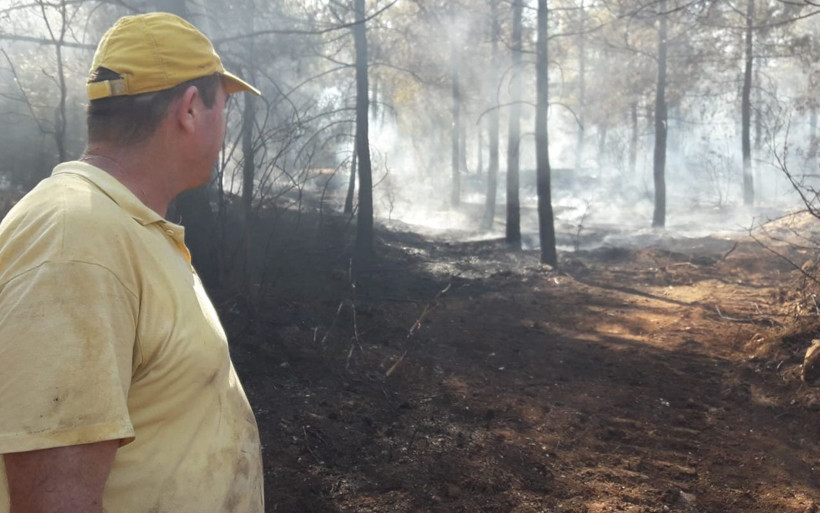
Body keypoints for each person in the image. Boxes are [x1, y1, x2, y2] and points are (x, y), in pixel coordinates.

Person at [0, 12, 263, 513]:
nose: (225, 127)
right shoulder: (75, 239)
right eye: (223, 106)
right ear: (190, 109)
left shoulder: (122, 227)